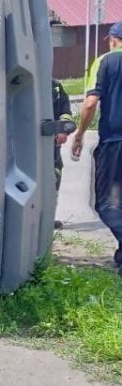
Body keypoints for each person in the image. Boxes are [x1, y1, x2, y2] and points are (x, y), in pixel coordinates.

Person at [72, 21, 122, 271]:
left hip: (115, 142)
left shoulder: (106, 61)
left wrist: (79, 135)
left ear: (113, 39)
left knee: (107, 203)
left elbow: (91, 102)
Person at [52, 78, 74, 229]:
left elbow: (65, 112)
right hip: (25, 144)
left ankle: (48, 216)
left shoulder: (56, 87)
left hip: (52, 144)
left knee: (54, 175)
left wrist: (63, 130)